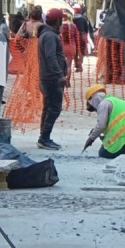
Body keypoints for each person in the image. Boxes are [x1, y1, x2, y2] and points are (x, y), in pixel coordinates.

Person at [83, 85, 125, 159]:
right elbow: (113, 131)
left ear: (93, 100)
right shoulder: (118, 102)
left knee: (103, 153)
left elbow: (101, 125)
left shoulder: (103, 104)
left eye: (93, 107)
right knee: (108, 145)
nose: (96, 110)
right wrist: (99, 135)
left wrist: (91, 139)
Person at [37, 8, 68, 150]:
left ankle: (44, 137)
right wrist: (59, 75)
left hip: (48, 78)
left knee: (49, 108)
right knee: (54, 109)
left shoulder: (47, 35)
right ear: (58, 21)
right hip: (51, 79)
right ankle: (44, 138)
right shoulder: (50, 36)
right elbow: (50, 57)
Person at [60, 9, 81, 81]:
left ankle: (62, 79)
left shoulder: (61, 26)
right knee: (69, 65)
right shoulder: (74, 26)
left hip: (62, 46)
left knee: (61, 64)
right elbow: (77, 37)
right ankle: (68, 81)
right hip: (72, 47)